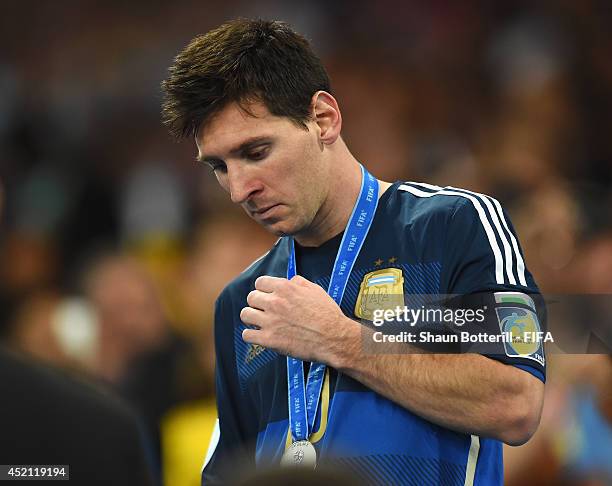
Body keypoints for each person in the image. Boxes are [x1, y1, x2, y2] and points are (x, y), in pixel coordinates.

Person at [161, 19, 545, 485]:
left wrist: (343, 341)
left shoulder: (451, 226)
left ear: (323, 119)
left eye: (256, 151)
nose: (239, 189)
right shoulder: (243, 303)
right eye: (220, 166)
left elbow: (516, 404)